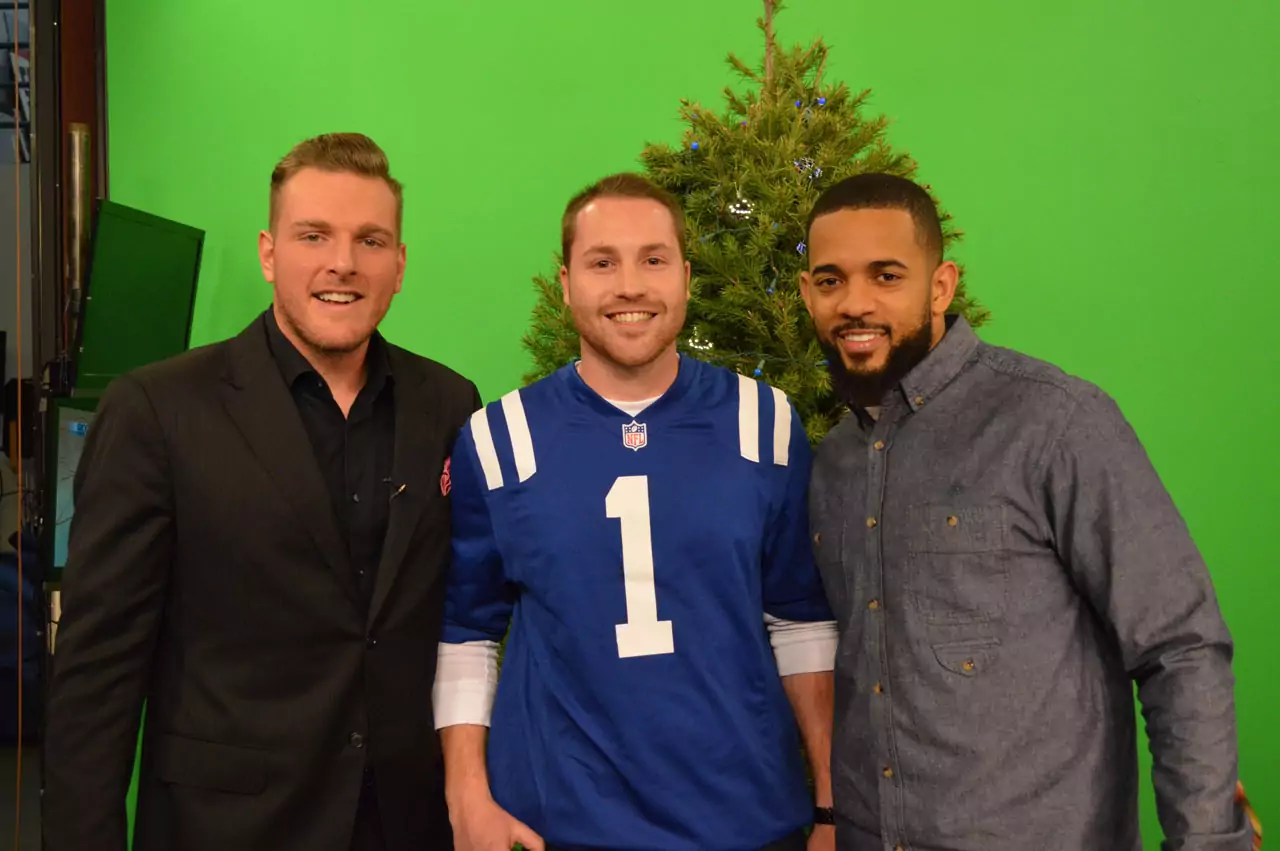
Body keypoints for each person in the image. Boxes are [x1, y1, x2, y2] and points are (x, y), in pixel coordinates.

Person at [42, 132, 480, 851]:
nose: (343, 262)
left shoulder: (449, 403)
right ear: (269, 254)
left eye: (370, 240)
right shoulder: (157, 411)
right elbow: (98, 674)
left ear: (399, 265)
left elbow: (461, 616)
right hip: (225, 828)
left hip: (406, 823)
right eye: (314, 235)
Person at [799, 172, 1253, 851]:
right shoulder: (833, 459)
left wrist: (1209, 840)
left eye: (886, 276)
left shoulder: (1054, 421)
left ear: (941, 286)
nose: (855, 303)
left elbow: (1181, 646)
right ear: (807, 293)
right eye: (831, 280)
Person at [432, 173, 838, 851]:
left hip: (744, 822)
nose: (629, 286)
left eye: (653, 259)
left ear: (686, 277)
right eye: (602, 263)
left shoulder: (763, 420)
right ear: (565, 284)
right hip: (559, 826)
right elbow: (469, 633)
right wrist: (466, 794)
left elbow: (800, 620)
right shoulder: (499, 437)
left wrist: (828, 806)